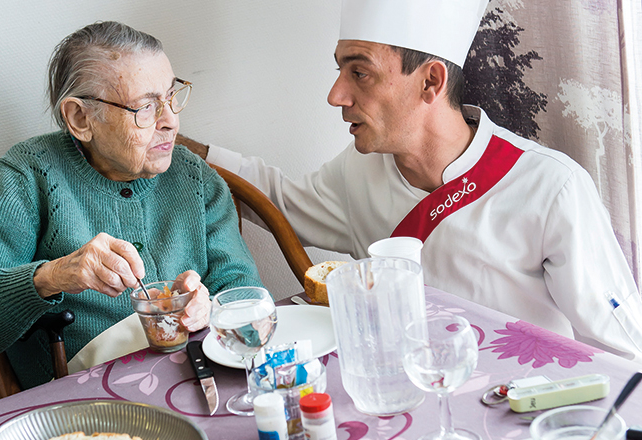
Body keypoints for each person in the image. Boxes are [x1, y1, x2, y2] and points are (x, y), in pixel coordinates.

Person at [189, 0, 642, 360]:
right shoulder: (359, 169)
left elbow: (621, 353)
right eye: (340, 70)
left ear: (431, 81)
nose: (336, 95)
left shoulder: (552, 188)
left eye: (359, 72)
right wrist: (170, 142)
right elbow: (278, 201)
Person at [0, 21, 263, 389]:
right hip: (84, 404)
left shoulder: (195, 179)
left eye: (172, 96)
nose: (171, 121)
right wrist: (50, 276)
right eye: (147, 107)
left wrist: (209, 306)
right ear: (80, 118)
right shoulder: (28, 177)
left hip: (196, 379)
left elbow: (245, 293)